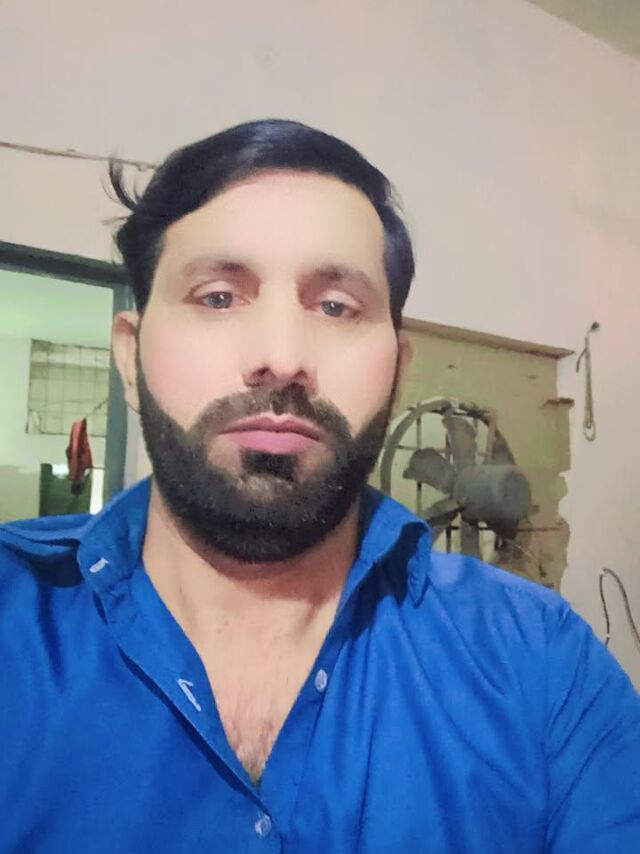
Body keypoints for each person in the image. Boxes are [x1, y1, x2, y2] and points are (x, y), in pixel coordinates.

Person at [0, 119, 638, 853]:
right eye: (218, 297)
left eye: (336, 307)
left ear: (397, 371)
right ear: (129, 354)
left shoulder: (541, 662)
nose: (281, 357)